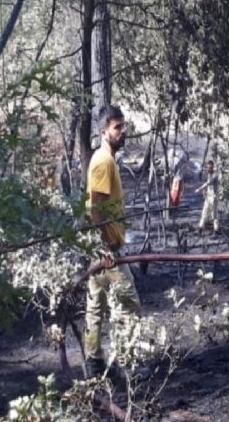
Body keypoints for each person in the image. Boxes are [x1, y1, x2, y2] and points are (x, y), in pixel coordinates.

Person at [84, 105, 142, 379]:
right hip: (107, 250)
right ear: (103, 132)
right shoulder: (103, 162)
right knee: (129, 306)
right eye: (117, 127)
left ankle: (94, 366)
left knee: (97, 306)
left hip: (100, 248)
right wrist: (106, 247)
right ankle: (127, 364)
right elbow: (96, 209)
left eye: (123, 126)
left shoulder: (105, 160)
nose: (123, 132)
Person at [195, 159, 220, 232]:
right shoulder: (209, 174)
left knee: (214, 215)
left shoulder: (215, 175)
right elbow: (207, 186)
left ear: (213, 167)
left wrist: (199, 189)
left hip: (213, 197)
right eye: (208, 167)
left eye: (210, 167)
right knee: (204, 212)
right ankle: (200, 228)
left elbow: (208, 183)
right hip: (208, 197)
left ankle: (216, 230)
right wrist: (204, 192)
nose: (209, 169)